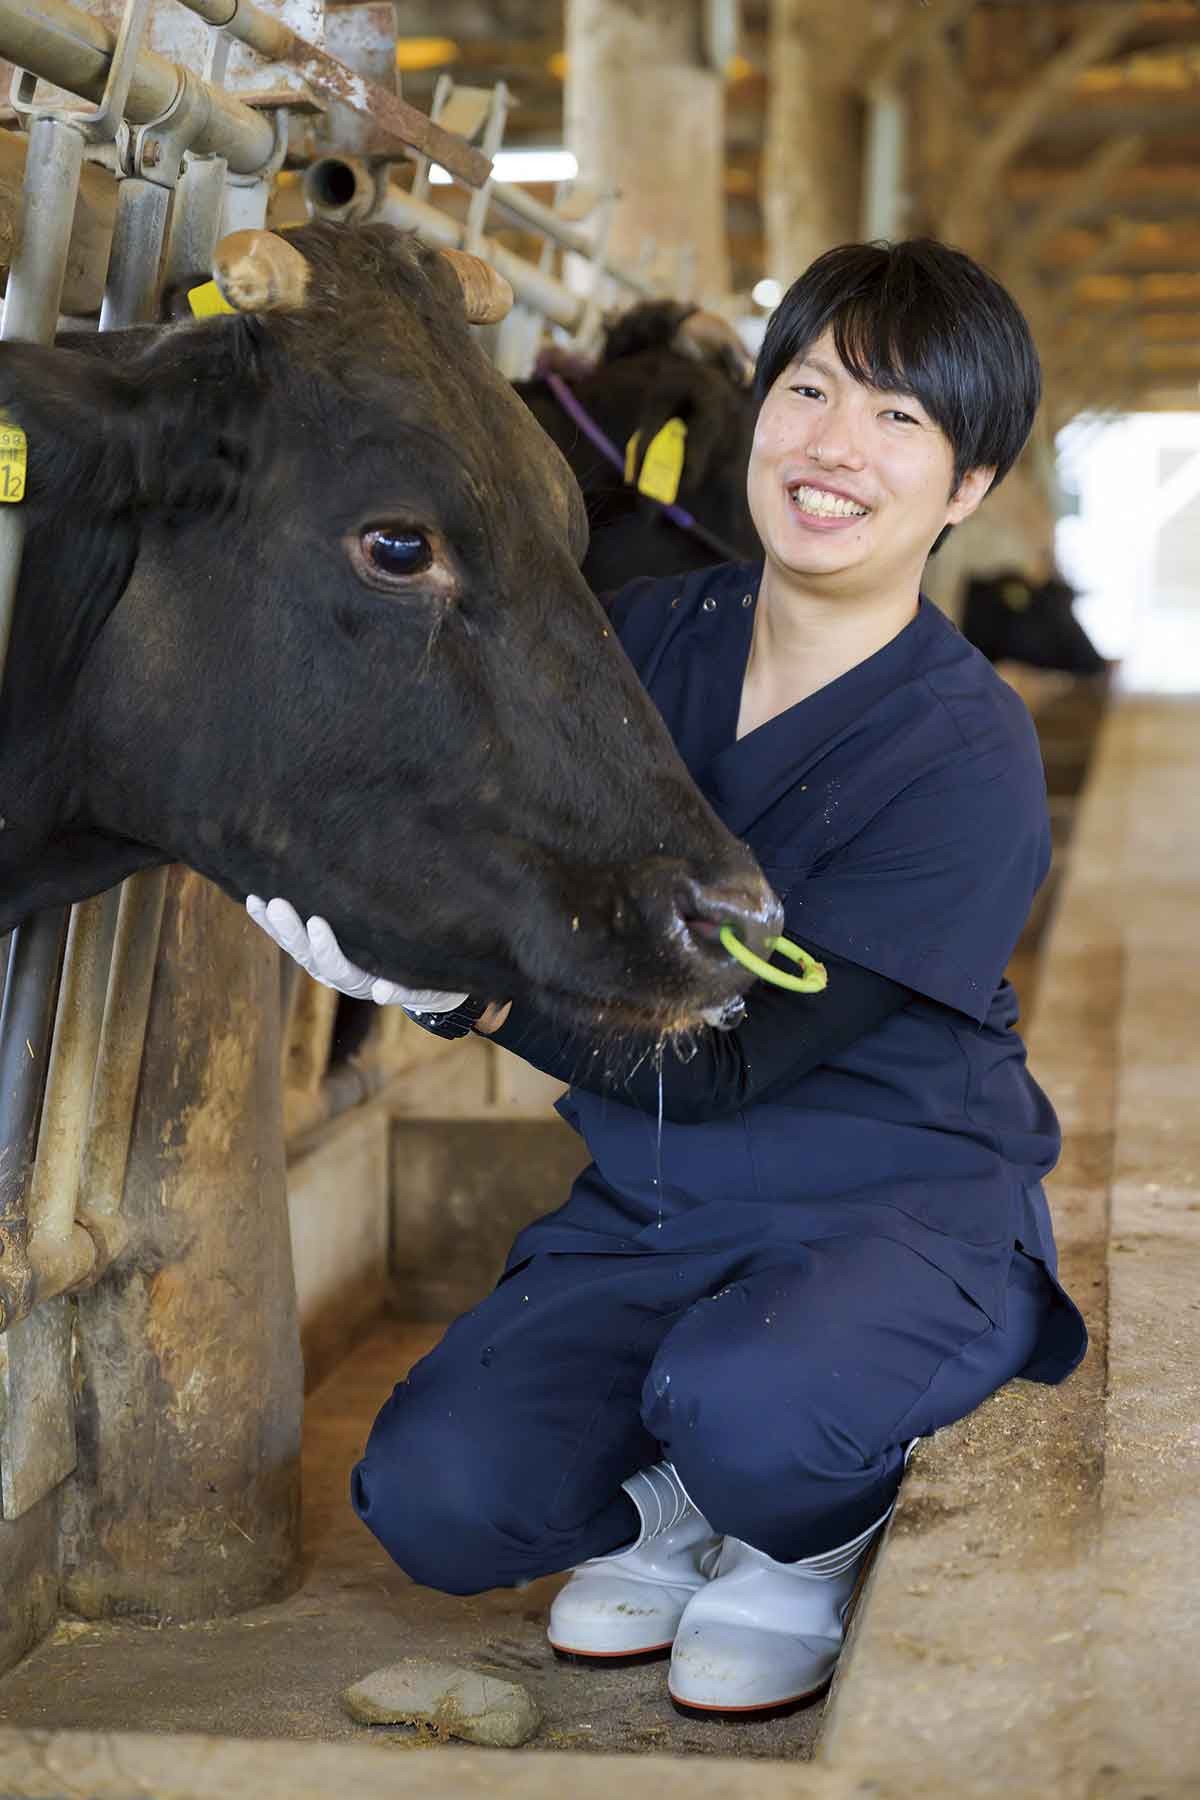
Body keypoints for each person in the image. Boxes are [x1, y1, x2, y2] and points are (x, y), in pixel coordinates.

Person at [250, 238, 1088, 1715]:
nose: (835, 446)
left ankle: (804, 1530)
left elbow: (731, 1056)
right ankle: (675, 1507)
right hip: (653, 1211)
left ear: (964, 488)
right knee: (437, 1495)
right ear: (755, 411)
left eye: (899, 421)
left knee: (750, 1400)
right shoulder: (632, 646)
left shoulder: (966, 754)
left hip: (900, 1215)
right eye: (812, 389)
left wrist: (472, 999)